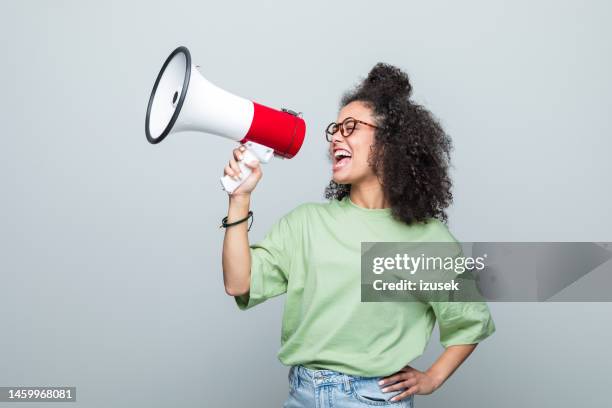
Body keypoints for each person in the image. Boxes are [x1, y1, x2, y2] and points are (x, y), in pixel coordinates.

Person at [221, 63, 496, 407]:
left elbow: (470, 322)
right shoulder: (306, 223)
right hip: (302, 395)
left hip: (372, 400)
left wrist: (432, 378)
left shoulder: (427, 239)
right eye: (335, 129)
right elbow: (238, 283)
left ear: (389, 142)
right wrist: (239, 198)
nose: (336, 136)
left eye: (350, 127)